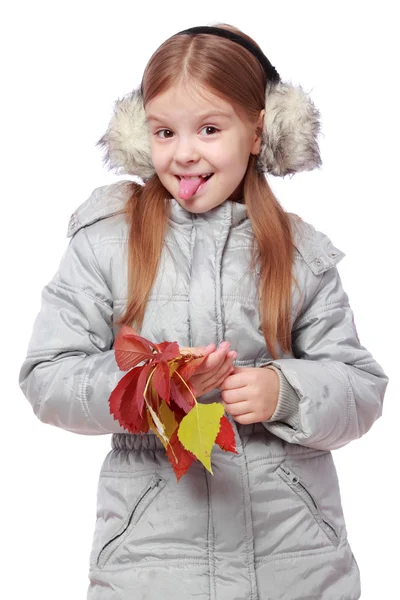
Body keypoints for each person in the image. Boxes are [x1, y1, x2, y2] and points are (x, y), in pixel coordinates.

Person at [19, 23, 388, 600]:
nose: (184, 152)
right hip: (152, 565)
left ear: (259, 131)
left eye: (210, 129)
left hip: (293, 563)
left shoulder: (301, 256)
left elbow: (362, 388)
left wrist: (282, 390)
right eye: (165, 131)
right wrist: (148, 387)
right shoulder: (105, 243)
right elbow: (47, 376)